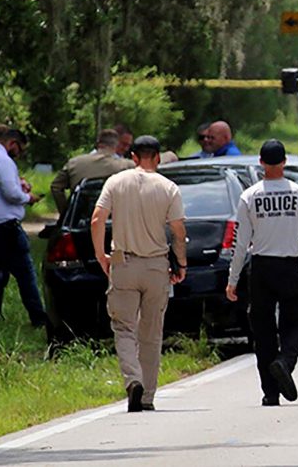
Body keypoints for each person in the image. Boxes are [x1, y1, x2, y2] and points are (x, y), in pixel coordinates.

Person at [225, 139, 298, 406]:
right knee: (295, 324)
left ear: (261, 163)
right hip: (290, 266)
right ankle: (284, 362)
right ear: (284, 162)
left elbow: (240, 244)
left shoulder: (249, 196)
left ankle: (270, 393)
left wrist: (233, 280)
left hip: (261, 268)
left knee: (262, 331)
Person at [91, 135, 187, 413]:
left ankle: (133, 380)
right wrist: (180, 262)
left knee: (123, 328)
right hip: (156, 266)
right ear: (157, 157)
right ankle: (147, 396)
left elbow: (98, 219)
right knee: (151, 331)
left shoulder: (116, 182)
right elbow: (178, 230)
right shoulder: (169, 187)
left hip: (123, 263)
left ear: (133, 157)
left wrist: (101, 255)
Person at [0, 127, 47, 326]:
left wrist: (18, 184)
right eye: (19, 149)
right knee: (25, 274)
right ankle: (38, 317)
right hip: (4, 228)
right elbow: (11, 194)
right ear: (12, 143)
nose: (19, 154)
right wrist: (28, 197)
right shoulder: (3, 160)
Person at [50, 129, 135, 215]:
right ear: (116, 146)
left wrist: (66, 212)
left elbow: (56, 187)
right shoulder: (128, 166)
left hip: (79, 218)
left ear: (98, 144)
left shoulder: (74, 163)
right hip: (112, 217)